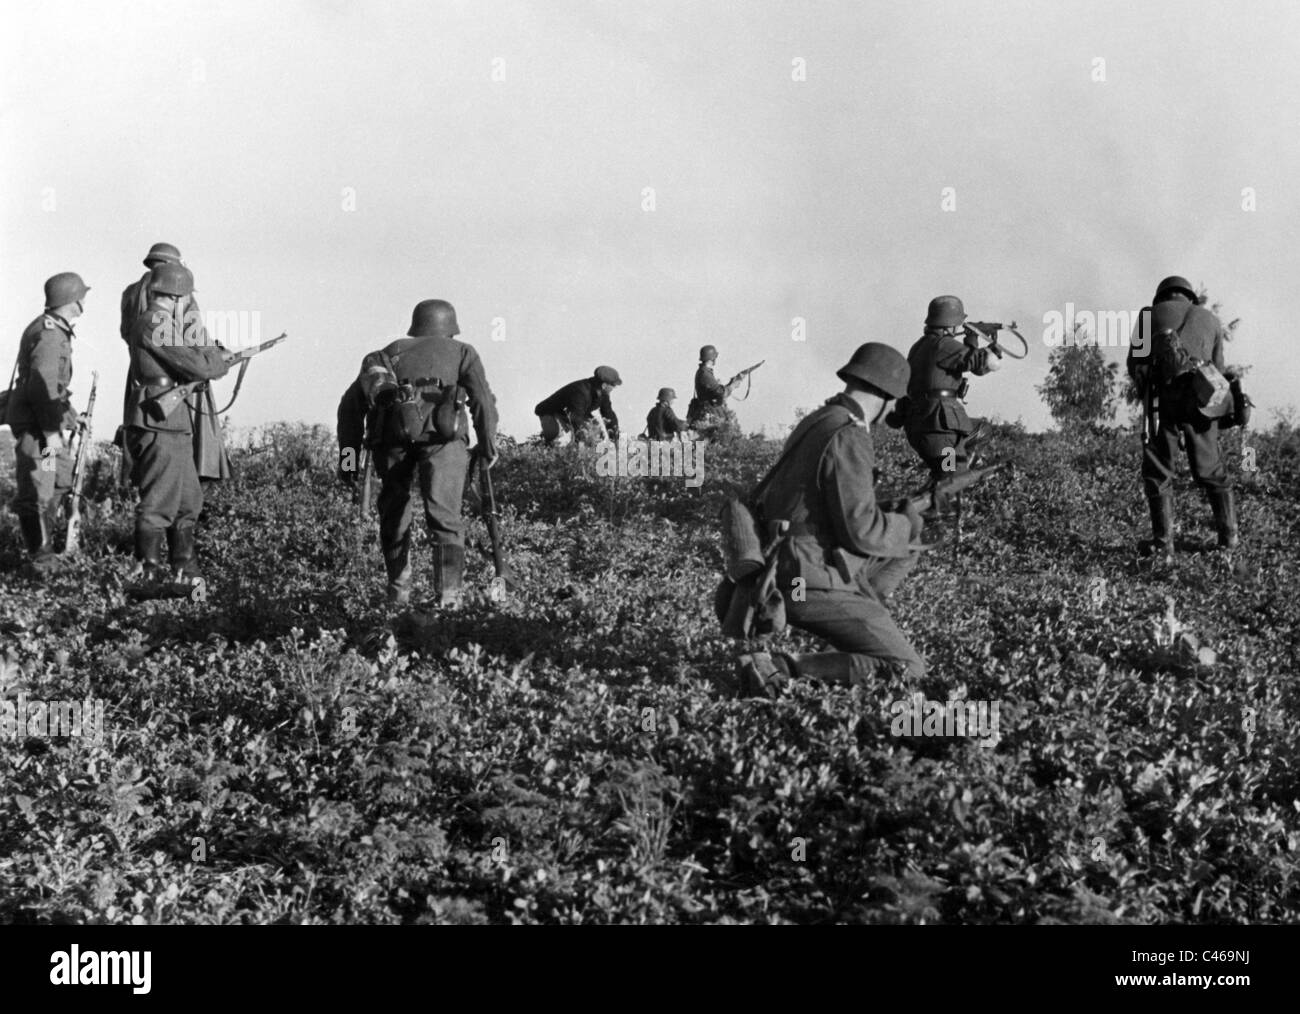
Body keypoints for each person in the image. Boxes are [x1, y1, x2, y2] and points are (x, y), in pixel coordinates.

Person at [735, 342, 929, 696]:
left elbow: (814, 505)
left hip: (783, 564)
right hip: (806, 575)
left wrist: (892, 513)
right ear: (888, 395)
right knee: (908, 670)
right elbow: (863, 533)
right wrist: (905, 521)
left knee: (906, 548)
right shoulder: (850, 434)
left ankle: (861, 620)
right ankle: (783, 668)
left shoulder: (820, 420)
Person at [358, 299, 498, 606]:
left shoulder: (386, 353)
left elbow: (349, 407)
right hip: (444, 439)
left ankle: (397, 592)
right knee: (445, 516)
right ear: (449, 328)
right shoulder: (463, 351)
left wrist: (347, 462)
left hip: (392, 438)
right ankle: (448, 600)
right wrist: (487, 447)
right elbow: (482, 402)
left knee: (394, 513)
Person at [122, 262, 230, 597]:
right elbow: (200, 364)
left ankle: (186, 572)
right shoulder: (155, 322)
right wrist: (217, 356)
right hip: (160, 423)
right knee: (158, 504)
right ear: (178, 297)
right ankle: (148, 582)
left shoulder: (163, 322)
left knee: (187, 501)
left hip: (175, 422)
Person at [1127, 275, 1237, 560]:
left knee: (1159, 471)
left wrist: (1146, 392)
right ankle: (1229, 539)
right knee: (1211, 470)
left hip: (1162, 401)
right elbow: (1221, 369)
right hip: (1204, 398)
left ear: (1162, 296)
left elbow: (1136, 362)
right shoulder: (1212, 320)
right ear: (1190, 297)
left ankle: (1164, 546)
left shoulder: (1148, 315)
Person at [120, 243, 230, 485]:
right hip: (179, 374)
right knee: (186, 444)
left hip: (143, 375)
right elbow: (196, 336)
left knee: (144, 441)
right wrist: (216, 358)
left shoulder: (129, 293)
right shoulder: (178, 291)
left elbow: (126, 333)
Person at [5, 272, 90, 573]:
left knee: (56, 479)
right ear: (74, 302)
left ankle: (47, 551)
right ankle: (41, 560)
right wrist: (53, 433)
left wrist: (70, 415)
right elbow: (39, 388)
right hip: (38, 430)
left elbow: (52, 389)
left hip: (44, 426)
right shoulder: (51, 335)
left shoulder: (52, 330)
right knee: (38, 487)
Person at [890, 296, 1000, 478]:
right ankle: (957, 478)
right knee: (951, 479)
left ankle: (961, 472)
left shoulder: (919, 346)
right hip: (941, 433)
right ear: (950, 324)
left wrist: (972, 340)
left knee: (981, 431)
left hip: (923, 427)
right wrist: (994, 349)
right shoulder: (944, 345)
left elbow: (968, 363)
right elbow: (986, 364)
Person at [534, 366, 621, 445]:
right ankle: (537, 448)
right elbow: (576, 420)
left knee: (595, 431)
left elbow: (609, 415)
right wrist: (583, 443)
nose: (614, 388)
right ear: (604, 385)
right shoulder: (580, 392)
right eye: (613, 385)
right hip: (551, 412)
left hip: (571, 413)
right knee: (558, 438)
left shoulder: (603, 394)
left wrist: (615, 440)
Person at [687, 345, 734, 429]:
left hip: (708, 412)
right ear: (712, 359)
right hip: (709, 414)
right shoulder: (705, 374)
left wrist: (729, 385)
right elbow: (720, 392)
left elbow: (715, 390)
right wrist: (733, 386)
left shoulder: (704, 372)